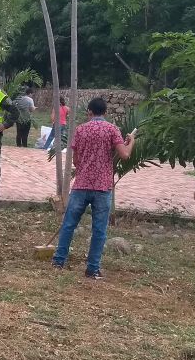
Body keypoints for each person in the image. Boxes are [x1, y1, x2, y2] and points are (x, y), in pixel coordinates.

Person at [53, 98, 135, 278]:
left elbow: (76, 160)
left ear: (89, 112)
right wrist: (131, 141)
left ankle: (59, 260)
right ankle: (92, 268)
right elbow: (125, 155)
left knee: (69, 224)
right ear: (105, 112)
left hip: (81, 184)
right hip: (102, 187)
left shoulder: (80, 129)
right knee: (99, 229)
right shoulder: (112, 129)